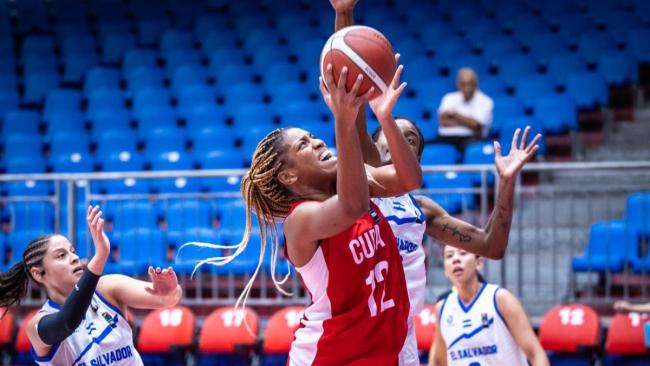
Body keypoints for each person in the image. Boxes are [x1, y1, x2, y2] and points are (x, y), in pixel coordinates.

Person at [187, 56, 423, 363]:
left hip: (379, 353)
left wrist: (385, 118)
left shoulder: (354, 181)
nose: (317, 143)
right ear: (289, 176)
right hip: (328, 356)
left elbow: (410, 178)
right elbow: (353, 206)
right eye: (303, 145)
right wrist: (344, 119)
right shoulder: (300, 220)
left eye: (312, 137)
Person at [0, 205, 182, 365]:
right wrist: (100, 257)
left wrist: (170, 290)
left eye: (72, 251)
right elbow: (67, 322)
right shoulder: (36, 325)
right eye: (61, 255)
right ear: (38, 274)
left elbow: (167, 299)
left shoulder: (107, 288)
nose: (74, 258)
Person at [428, 245, 550, 366]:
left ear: (479, 262)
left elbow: (536, 354)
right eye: (449, 256)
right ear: (445, 269)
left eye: (463, 253)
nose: (455, 259)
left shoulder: (500, 299)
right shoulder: (442, 308)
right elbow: (438, 361)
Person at [437, 68, 494, 151]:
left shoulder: (486, 101)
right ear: (458, 84)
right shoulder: (448, 97)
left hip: (471, 139)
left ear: (476, 84)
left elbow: (476, 126)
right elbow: (443, 121)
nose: (467, 88)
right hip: (446, 138)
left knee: (474, 150)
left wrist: (455, 115)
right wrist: (468, 122)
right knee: (422, 146)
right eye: (463, 84)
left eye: (470, 84)